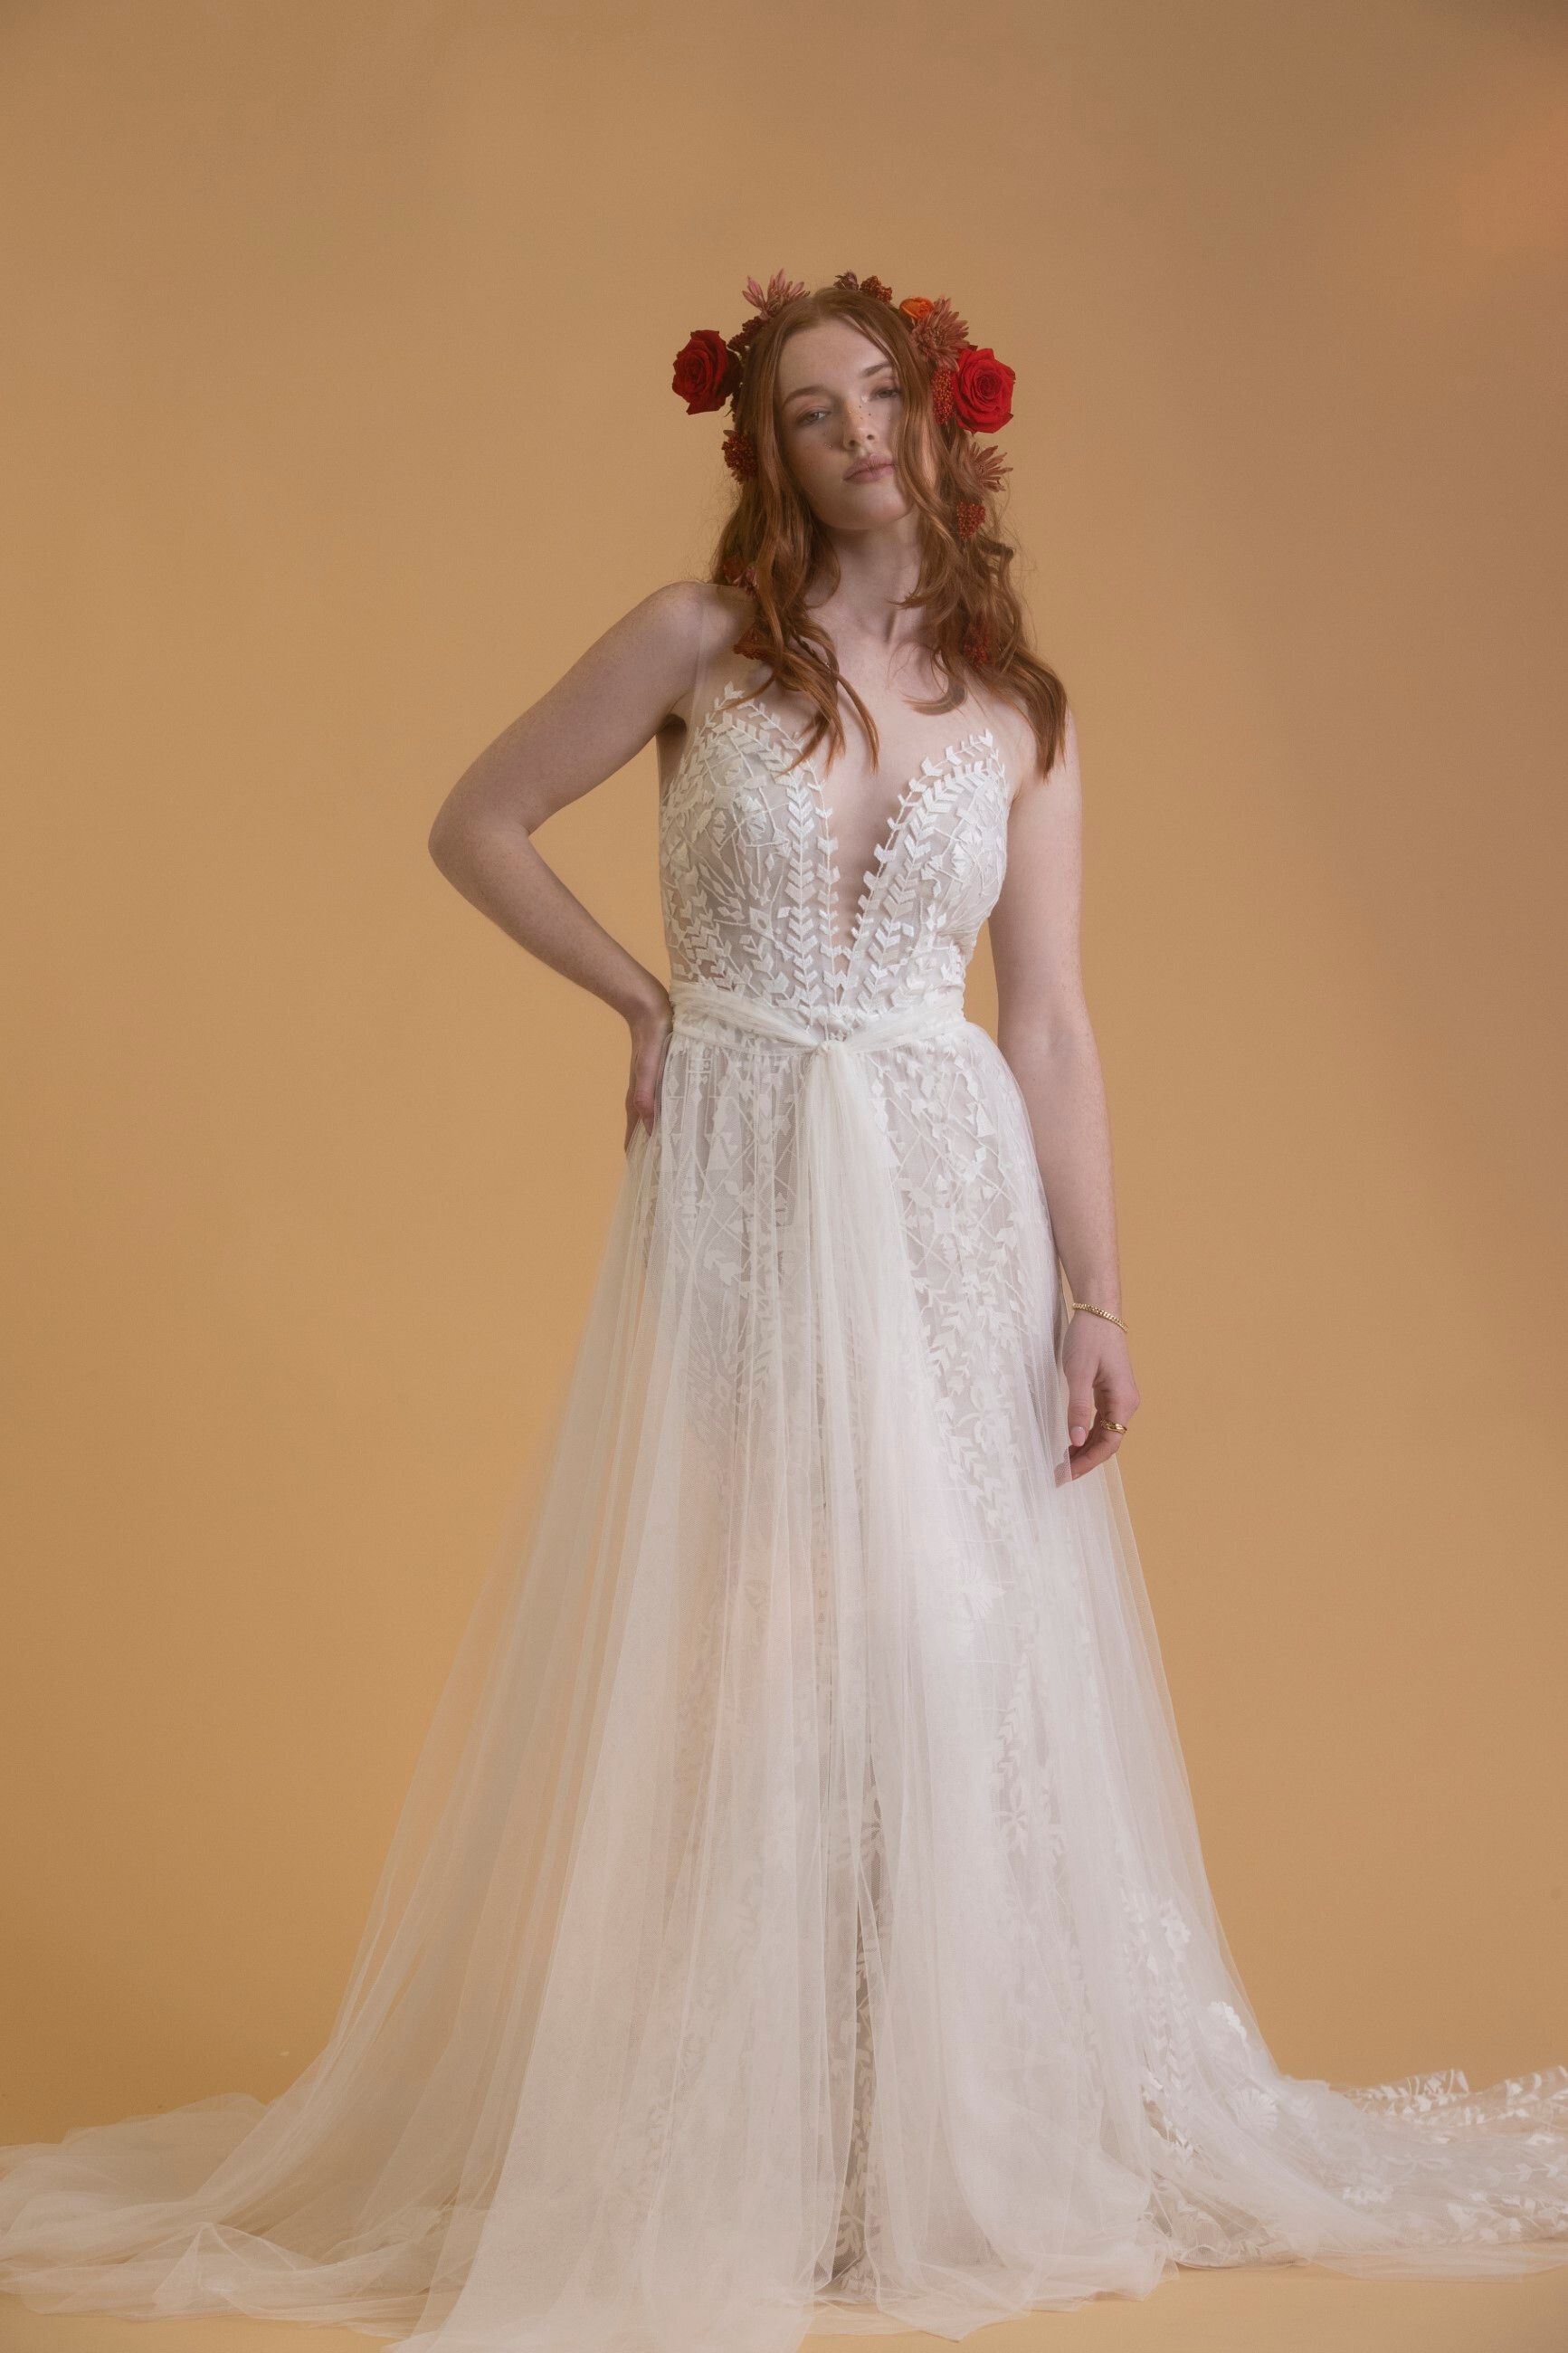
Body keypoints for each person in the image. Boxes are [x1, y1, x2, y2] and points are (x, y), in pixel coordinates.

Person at [2, 268, 1564, 2353]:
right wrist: (648, 997)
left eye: (876, 400)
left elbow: (1058, 1023)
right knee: (763, 1630)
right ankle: (767, 2136)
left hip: (940, 1185)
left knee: (951, 1627)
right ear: (763, 450)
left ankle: (925, 2131)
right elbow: (475, 822)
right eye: (805, 412)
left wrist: (1099, 1292)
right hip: (742, 1161)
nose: (850, 439)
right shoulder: (693, 642)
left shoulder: (1027, 711)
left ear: (942, 420)